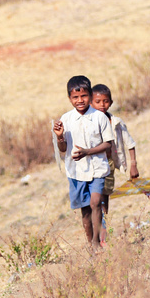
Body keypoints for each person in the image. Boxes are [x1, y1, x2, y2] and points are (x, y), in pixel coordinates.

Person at [53, 74, 114, 253]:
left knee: (96, 202)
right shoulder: (66, 119)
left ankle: (97, 242)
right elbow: (63, 149)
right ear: (69, 98)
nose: (80, 100)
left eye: (84, 96)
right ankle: (91, 245)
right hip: (76, 172)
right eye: (75, 97)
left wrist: (87, 152)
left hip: (98, 168)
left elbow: (108, 143)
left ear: (89, 95)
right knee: (85, 212)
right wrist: (60, 136)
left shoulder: (99, 117)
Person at [91, 83, 139, 241]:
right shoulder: (89, 122)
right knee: (94, 199)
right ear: (91, 103)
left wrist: (133, 165)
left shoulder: (116, 122)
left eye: (105, 101)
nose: (102, 105)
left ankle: (103, 227)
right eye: (98, 102)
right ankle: (97, 231)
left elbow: (130, 143)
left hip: (109, 164)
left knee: (105, 196)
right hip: (93, 165)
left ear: (110, 103)